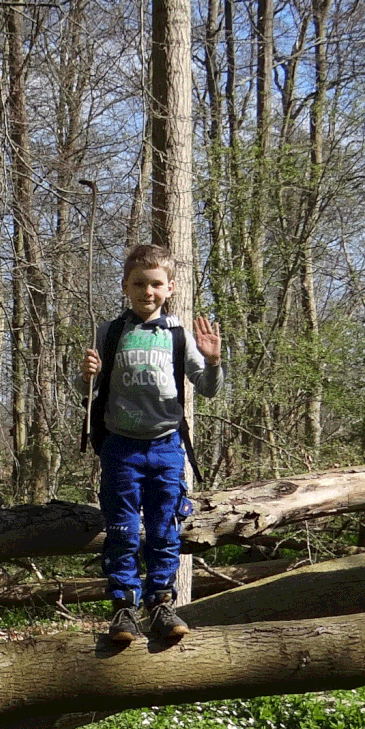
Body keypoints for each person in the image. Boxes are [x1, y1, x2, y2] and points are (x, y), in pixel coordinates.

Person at [81, 244, 221, 646]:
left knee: (164, 530)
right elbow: (87, 389)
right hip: (121, 449)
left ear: (170, 287)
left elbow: (208, 390)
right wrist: (85, 373)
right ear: (125, 287)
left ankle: (161, 603)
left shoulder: (178, 335)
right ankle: (124, 606)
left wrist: (212, 361)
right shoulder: (110, 332)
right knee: (122, 530)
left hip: (166, 447)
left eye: (156, 284)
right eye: (139, 283)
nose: (148, 291)